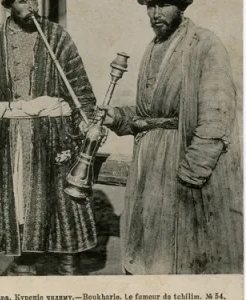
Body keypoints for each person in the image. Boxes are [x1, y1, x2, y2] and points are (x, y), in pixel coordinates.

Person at [97, 0, 243, 274]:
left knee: (179, 260)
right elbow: (152, 114)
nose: (155, 14)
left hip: (180, 171)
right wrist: (116, 117)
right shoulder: (153, 48)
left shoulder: (204, 46)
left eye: (163, 4)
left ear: (181, 5)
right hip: (148, 171)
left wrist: (190, 177)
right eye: (150, 5)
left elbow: (215, 119)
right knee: (147, 258)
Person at [0, 0, 98, 276]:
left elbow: (78, 88)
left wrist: (87, 124)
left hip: (56, 135)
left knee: (65, 202)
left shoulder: (57, 36)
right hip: (10, 139)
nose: (32, 6)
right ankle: (25, 261)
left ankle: (69, 261)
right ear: (9, 3)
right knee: (19, 200)